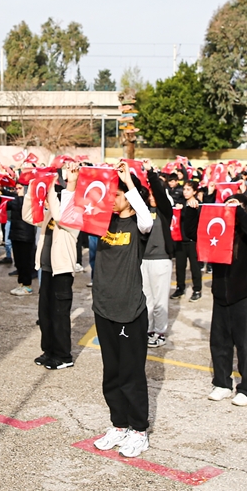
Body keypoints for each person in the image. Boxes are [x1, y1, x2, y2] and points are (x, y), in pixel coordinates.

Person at [91, 164, 154, 459]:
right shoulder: (103, 221)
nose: (111, 199)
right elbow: (70, 215)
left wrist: (128, 182)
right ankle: (119, 425)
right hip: (104, 307)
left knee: (131, 374)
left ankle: (139, 430)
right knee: (112, 373)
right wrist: (73, 183)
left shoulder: (139, 226)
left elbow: (146, 219)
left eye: (116, 194)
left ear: (128, 197)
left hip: (130, 310)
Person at [205, 192, 247, 405]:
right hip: (222, 294)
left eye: (237, 206)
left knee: (246, 344)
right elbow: (193, 233)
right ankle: (222, 383)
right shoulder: (220, 231)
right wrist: (193, 212)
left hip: (245, 295)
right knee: (219, 342)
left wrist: (238, 212)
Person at [25, 163, 80, 370]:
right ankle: (48, 351)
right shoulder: (49, 215)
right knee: (45, 313)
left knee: (59, 314)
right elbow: (28, 216)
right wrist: (32, 189)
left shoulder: (73, 217)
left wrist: (51, 187)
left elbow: (60, 214)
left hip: (62, 270)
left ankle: (64, 355)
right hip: (47, 269)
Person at [143, 164, 175, 347]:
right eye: (150, 195)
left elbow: (160, 194)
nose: (152, 198)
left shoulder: (164, 211)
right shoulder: (142, 212)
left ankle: (159, 332)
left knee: (159, 300)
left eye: (155, 194)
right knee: (146, 299)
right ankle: (147, 330)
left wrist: (151, 174)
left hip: (161, 260)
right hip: (144, 260)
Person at [171, 181, 203, 301]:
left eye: (188, 189)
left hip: (193, 241)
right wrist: (179, 208)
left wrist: (186, 209)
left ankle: (197, 289)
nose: (185, 192)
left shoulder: (197, 204)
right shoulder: (180, 202)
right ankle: (180, 288)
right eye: (184, 189)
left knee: (195, 267)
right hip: (180, 239)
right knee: (180, 266)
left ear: (194, 191)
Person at [7, 183, 36, 296]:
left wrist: (19, 196)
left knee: (25, 261)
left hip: (25, 234)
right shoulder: (15, 199)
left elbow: (20, 206)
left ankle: (27, 285)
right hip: (16, 233)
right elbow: (7, 206)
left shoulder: (27, 199)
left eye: (19, 188)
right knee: (18, 261)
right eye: (16, 188)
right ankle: (21, 283)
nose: (17, 190)